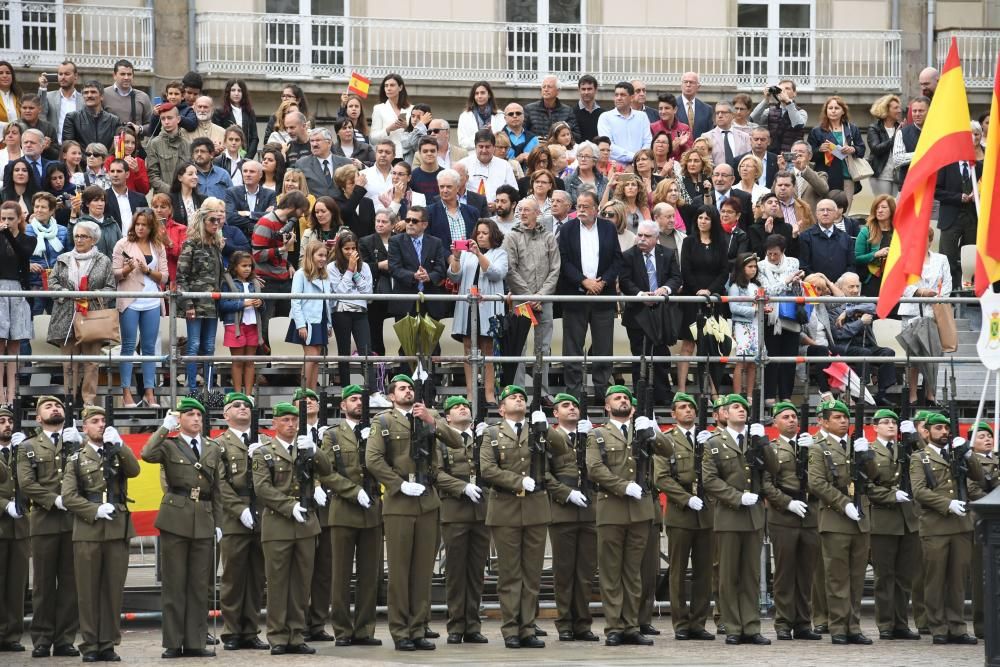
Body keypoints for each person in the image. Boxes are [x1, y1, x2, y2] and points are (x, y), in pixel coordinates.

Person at [366, 374, 460, 651]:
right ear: (392, 396)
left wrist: (433, 420)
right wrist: (398, 485)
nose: (407, 392)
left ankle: (419, 628)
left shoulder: (427, 418)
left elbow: (457, 442)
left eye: (410, 388)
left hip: (428, 500)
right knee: (400, 571)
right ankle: (400, 631)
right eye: (402, 389)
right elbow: (373, 459)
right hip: (400, 503)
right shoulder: (382, 421)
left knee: (422, 572)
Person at [142, 400, 222, 658]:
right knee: (175, 584)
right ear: (180, 419)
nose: (196, 419)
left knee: (200, 585)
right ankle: (174, 642)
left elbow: (217, 489)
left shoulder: (212, 447)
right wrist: (164, 428)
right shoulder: (168, 445)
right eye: (190, 414)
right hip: (175, 517)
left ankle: (196, 641)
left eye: (199, 414)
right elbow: (146, 453)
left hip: (204, 518)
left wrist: (218, 523)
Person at [480, 385, 558, 648]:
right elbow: (487, 469)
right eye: (513, 397)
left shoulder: (538, 430)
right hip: (505, 508)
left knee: (532, 574)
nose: (519, 400)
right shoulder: (492, 433)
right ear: (502, 408)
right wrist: (518, 481)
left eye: (522, 398)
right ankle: (511, 628)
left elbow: (564, 453)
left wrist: (546, 428)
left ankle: (527, 628)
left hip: (535, 509)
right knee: (510, 574)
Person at [61, 406, 139, 663]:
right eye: (95, 421)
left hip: (117, 529)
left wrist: (121, 444)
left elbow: (134, 470)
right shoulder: (76, 459)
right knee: (88, 590)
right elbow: (70, 497)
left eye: (103, 421)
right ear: (85, 428)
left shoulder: (116, 452)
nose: (100, 425)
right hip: (88, 530)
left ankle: (108, 643)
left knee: (112, 590)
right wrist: (94, 509)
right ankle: (90, 644)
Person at [585, 386, 662, 646]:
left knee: (633, 573)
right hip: (612, 509)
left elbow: (668, 452)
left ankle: (631, 626)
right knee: (611, 572)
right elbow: (595, 469)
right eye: (617, 398)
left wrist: (653, 430)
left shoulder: (642, 430)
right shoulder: (597, 434)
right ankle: (614, 627)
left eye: (626, 398)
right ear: (607, 406)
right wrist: (622, 486)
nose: (623, 400)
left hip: (640, 512)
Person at [702, 394, 777, 646]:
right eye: (735, 407)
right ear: (724, 413)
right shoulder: (714, 443)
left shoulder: (755, 440)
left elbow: (774, 468)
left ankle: (751, 626)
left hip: (754, 517)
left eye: (744, 407)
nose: (741, 411)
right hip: (729, 515)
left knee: (751, 575)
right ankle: (733, 626)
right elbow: (710, 480)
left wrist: (764, 442)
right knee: (728, 575)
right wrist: (736, 497)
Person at [316, 385, 383, 647]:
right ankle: (342, 630)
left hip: (372, 511)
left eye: (361, 400)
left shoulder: (377, 431)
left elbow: (386, 464)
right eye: (352, 399)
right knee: (340, 575)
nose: (358, 403)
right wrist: (353, 491)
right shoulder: (332, 435)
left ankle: (365, 629)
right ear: (343, 406)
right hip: (343, 509)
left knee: (370, 575)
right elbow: (326, 471)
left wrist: (373, 442)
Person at [16, 396, 81, 658]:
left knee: (70, 584)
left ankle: (65, 639)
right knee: (43, 584)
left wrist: (80, 446)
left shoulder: (76, 442)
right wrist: (54, 499)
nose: (55, 408)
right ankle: (42, 639)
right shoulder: (28, 446)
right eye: (48, 406)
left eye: (59, 406)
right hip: (44, 520)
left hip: (73, 522)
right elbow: (26, 483)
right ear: (38, 417)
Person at [909, 412, 982, 645]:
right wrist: (947, 504)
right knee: (935, 579)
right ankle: (938, 627)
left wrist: (969, 454)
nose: (943, 432)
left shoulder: (957, 454)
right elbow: (919, 491)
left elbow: (978, 476)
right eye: (938, 428)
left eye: (945, 428)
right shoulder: (920, 457)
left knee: (958, 580)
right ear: (927, 432)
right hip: (935, 526)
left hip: (961, 526)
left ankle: (958, 627)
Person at [807, 399, 876, 645]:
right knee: (837, 578)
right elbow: (816, 483)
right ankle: (838, 627)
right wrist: (843, 503)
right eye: (837, 417)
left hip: (860, 519)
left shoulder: (855, 446)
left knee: (857, 578)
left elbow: (872, 477)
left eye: (845, 417)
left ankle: (853, 626)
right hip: (835, 519)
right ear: (824, 421)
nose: (843, 421)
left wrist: (866, 455)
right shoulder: (818, 448)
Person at [653, 392, 716, 641]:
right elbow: (661, 477)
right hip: (681, 513)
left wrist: (712, 446)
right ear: (673, 414)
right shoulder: (667, 440)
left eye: (691, 407)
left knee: (704, 571)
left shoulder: (709, 439)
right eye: (682, 407)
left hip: (707, 513)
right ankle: (680, 622)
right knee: (678, 570)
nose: (688, 411)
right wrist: (685, 498)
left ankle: (699, 622)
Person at [429, 395, 489, 645]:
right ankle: (456, 625)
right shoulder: (441, 442)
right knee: (455, 572)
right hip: (454, 510)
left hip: (482, 511)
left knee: (476, 572)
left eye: (465, 405)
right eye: (456, 407)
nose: (463, 408)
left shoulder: (483, 439)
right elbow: (436, 473)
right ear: (447, 418)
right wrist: (461, 487)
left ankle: (473, 625)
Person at [761, 403, 822, 641]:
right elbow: (766, 483)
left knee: (807, 573)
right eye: (785, 417)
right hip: (783, 516)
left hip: (809, 516)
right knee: (785, 572)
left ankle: (804, 623)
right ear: (775, 423)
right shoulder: (772, 449)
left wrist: (815, 451)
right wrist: (786, 503)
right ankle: (784, 622)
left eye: (794, 416)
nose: (791, 420)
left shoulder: (814, 445)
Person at [214, 392, 269, 652]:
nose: (243, 408)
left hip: (261, 513)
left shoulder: (265, 441)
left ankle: (250, 629)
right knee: (234, 577)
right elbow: (220, 483)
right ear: (226, 415)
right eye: (236, 405)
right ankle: (232, 631)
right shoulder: (218, 445)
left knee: (257, 576)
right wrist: (239, 509)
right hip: (235, 517)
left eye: (247, 405)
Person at [862, 408, 921, 641]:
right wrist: (890, 496)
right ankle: (885, 623)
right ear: (874, 427)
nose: (890, 426)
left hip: (908, 519)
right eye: (885, 422)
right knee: (884, 576)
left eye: (893, 422)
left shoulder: (906, 448)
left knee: (904, 576)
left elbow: (929, 464)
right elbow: (867, 485)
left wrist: (915, 439)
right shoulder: (868, 450)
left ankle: (901, 623)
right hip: (884, 519)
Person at [558, 190, 622, 400]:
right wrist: (584, 281)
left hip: (603, 296)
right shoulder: (567, 229)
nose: (581, 210)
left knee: (604, 346)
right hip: (576, 295)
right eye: (579, 206)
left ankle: (602, 391)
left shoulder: (608, 228)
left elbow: (616, 260)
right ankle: (573, 393)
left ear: (596, 209)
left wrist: (602, 282)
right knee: (572, 346)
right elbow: (564, 261)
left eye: (586, 207)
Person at [47, 219, 115, 405]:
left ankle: (88, 403)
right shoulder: (63, 259)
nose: (79, 240)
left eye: (83, 236)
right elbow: (52, 285)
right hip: (66, 316)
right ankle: (69, 400)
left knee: (92, 363)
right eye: (76, 236)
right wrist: (67, 294)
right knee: (69, 363)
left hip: (91, 317)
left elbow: (111, 288)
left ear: (93, 239)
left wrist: (93, 295)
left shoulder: (104, 261)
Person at [502, 197, 559, 393]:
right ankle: (518, 391)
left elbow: (555, 269)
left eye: (527, 210)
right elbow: (510, 270)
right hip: (522, 301)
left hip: (545, 301)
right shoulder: (511, 237)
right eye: (520, 210)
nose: (523, 213)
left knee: (543, 347)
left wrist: (540, 296)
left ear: (538, 213)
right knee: (520, 346)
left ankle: (541, 392)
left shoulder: (549, 237)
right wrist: (530, 297)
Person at [448, 219, 508, 405]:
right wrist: (456, 257)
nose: (480, 236)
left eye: (484, 233)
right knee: (468, 348)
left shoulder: (500, 253)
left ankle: (489, 393)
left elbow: (496, 274)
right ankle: (471, 392)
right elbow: (454, 276)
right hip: (468, 306)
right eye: (478, 233)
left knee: (487, 349)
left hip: (488, 307)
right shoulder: (465, 255)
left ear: (493, 235)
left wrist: (479, 255)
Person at [620, 220, 681, 402]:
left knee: (661, 355)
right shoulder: (628, 256)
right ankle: (641, 397)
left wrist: (665, 289)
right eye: (639, 235)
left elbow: (676, 278)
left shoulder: (668, 254)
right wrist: (640, 295)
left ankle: (662, 395)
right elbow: (624, 281)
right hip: (637, 314)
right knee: (640, 355)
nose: (642, 239)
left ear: (656, 238)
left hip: (661, 313)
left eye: (646, 236)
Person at [112, 209, 166, 407]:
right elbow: (115, 274)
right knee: (128, 346)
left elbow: (165, 277)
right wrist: (127, 269)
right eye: (138, 224)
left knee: (149, 348)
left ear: (151, 227)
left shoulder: (158, 245)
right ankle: (126, 393)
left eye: (145, 224)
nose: (141, 228)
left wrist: (147, 270)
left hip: (151, 299)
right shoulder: (122, 243)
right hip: (130, 299)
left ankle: (149, 393)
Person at [676, 206, 729, 393]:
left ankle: (714, 392)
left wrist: (710, 291)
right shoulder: (689, 242)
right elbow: (686, 270)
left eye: (707, 218)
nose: (703, 221)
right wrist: (699, 290)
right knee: (688, 345)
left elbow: (724, 271)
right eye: (700, 217)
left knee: (712, 346)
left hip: (713, 299)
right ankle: (681, 391)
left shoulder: (721, 243)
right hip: (692, 297)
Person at [176, 201, 225, 394]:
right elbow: (181, 276)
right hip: (195, 303)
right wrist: (187, 303)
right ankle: (192, 388)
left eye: (219, 220)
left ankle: (209, 388)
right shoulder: (191, 243)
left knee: (210, 346)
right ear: (202, 220)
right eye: (212, 220)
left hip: (212, 304)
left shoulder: (216, 245)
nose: (216, 224)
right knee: (194, 344)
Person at [898, 228, 951, 405]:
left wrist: (936, 298)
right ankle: (912, 394)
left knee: (933, 353)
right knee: (913, 355)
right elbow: (900, 285)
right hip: (912, 312)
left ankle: (930, 393)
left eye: (926, 240)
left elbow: (948, 285)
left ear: (930, 240)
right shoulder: (906, 259)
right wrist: (919, 292)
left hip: (934, 311)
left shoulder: (941, 259)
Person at [757, 234, 803, 403]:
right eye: (769, 253)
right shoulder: (761, 266)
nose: (772, 257)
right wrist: (786, 281)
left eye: (775, 254)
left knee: (789, 358)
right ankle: (769, 396)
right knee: (771, 356)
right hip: (771, 317)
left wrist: (795, 281)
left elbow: (794, 287)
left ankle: (786, 396)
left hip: (790, 315)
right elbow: (767, 291)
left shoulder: (793, 262)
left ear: (783, 251)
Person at [252, 190, 308, 326]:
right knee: (266, 325)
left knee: (287, 324)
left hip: (283, 280)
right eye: (302, 210)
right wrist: (283, 249)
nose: (302, 215)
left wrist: (288, 264)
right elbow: (257, 255)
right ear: (293, 207)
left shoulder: (287, 224)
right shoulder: (266, 223)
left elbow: (276, 250)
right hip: (267, 282)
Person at [327, 229, 374, 388]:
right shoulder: (332, 267)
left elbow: (368, 293)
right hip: (341, 312)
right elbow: (339, 293)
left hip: (360, 312)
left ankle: (372, 390)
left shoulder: (365, 266)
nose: (350, 252)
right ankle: (346, 389)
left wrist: (355, 273)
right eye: (347, 249)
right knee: (344, 352)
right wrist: (349, 270)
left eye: (353, 248)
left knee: (365, 351)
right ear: (340, 250)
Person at [0, 403, 29, 652]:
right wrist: (4, 504)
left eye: (9, 421)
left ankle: (11, 635)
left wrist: (23, 451)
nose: (7, 425)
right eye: (1, 422)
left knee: (16, 584)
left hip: (19, 528)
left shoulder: (23, 450)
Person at [287, 239, 334, 390]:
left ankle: (312, 393)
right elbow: (295, 301)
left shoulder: (324, 275)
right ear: (310, 255)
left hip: (320, 320)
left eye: (325, 256)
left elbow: (326, 302)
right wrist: (301, 325)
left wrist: (328, 324)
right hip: (306, 321)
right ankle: (304, 394)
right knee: (311, 358)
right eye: (320, 255)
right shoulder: (301, 274)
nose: (323, 259)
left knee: (316, 359)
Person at [808, 97, 864, 208]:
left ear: (843, 111)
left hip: (848, 176)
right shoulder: (817, 131)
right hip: (826, 176)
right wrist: (820, 150)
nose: (833, 111)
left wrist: (853, 149)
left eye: (837, 108)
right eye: (830, 108)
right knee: (827, 210)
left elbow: (861, 149)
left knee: (844, 210)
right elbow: (809, 155)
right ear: (826, 111)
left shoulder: (852, 129)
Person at [936, 157, 981, 290]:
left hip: (972, 219)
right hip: (950, 220)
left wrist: (978, 194)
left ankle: (967, 293)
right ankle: (949, 292)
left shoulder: (978, 166)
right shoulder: (946, 164)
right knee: (948, 258)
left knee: (970, 260)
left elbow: (988, 186)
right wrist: (957, 197)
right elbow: (936, 191)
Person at [0, 202, 29, 402]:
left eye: (10, 218)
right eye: (3, 218)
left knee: (15, 345)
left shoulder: (29, 239)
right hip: (0, 289)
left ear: (19, 218)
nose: (6, 222)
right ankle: (1, 397)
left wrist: (8, 234)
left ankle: (12, 394)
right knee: (0, 343)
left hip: (17, 290)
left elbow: (23, 254)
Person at [727, 253, 763, 395]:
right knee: (742, 361)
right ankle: (737, 395)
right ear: (742, 268)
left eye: (755, 266)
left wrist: (763, 308)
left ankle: (749, 395)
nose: (753, 269)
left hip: (756, 325)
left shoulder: (756, 285)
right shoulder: (735, 286)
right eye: (750, 266)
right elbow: (733, 308)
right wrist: (754, 309)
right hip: (742, 326)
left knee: (753, 362)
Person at [359, 209, 395, 356]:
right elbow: (362, 267)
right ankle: (378, 374)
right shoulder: (365, 241)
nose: (379, 224)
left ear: (393, 225)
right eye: (377, 221)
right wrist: (380, 265)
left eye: (384, 222)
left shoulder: (400, 240)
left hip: (397, 292)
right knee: (376, 335)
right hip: (377, 294)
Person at [596, 82, 651, 167]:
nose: (618, 98)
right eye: (616, 95)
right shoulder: (605, 117)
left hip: (640, 167)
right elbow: (608, 146)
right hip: (615, 169)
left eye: (622, 95)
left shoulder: (642, 117)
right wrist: (635, 157)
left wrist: (638, 160)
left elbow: (648, 141)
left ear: (632, 97)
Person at [799, 199, 854, 282]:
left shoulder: (846, 238)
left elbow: (851, 265)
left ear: (836, 214)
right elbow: (804, 266)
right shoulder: (806, 237)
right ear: (816, 214)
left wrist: (841, 283)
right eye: (822, 210)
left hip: (840, 288)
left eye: (829, 210)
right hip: (815, 287)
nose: (825, 213)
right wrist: (820, 283)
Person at [748, 80, 807, 154]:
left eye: (787, 89)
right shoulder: (769, 111)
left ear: (794, 93)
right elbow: (752, 119)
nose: (783, 91)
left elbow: (798, 125)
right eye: (781, 89)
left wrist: (788, 102)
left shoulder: (801, 112)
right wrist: (766, 100)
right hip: (772, 155)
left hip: (790, 156)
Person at [61, 80, 122, 150]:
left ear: (102, 96)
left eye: (93, 92)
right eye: (86, 93)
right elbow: (68, 148)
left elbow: (117, 148)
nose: (89, 95)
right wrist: (90, 159)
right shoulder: (72, 118)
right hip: (80, 160)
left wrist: (104, 159)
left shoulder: (114, 121)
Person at [224, 160, 276, 240]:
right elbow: (230, 218)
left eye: (252, 172)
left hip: (262, 240)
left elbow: (272, 217)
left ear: (260, 175)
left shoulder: (270, 194)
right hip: (239, 239)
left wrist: (249, 214)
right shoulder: (231, 192)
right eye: (245, 171)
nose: (248, 174)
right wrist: (261, 218)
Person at [459, 129, 517, 202]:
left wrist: (497, 204)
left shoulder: (504, 165)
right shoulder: (463, 164)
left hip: (497, 211)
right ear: (475, 147)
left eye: (487, 147)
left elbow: (513, 191)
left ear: (494, 147)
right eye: (481, 146)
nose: (484, 150)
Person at [855, 194, 895, 296]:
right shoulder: (866, 231)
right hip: (872, 281)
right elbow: (856, 258)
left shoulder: (899, 232)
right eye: (877, 208)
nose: (879, 210)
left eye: (884, 207)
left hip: (894, 281)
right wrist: (875, 254)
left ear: (892, 210)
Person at [146, 104, 191, 195]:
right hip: (163, 198)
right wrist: (172, 191)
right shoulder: (154, 143)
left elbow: (191, 172)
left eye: (170, 118)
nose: (166, 122)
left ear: (178, 119)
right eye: (163, 119)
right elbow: (152, 175)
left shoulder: (187, 144)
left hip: (185, 196)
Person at [298, 127, 353, 199]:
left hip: (341, 208)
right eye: (312, 141)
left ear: (329, 143)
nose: (314, 144)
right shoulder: (302, 164)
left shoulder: (346, 163)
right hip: (315, 208)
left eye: (318, 140)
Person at [523, 75, 581, 142]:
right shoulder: (529, 109)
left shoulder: (568, 111)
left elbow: (577, 136)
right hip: (536, 149)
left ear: (558, 91)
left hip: (560, 149)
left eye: (549, 87)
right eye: (543, 87)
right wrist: (536, 139)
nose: (546, 89)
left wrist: (558, 138)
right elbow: (522, 132)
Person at [213, 79, 258, 159]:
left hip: (245, 156)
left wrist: (248, 158)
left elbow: (254, 137)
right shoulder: (219, 112)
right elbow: (219, 136)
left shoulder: (249, 112)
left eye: (239, 91)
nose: (236, 93)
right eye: (233, 90)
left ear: (243, 93)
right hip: (226, 156)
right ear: (228, 92)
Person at [370, 74, 413, 159]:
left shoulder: (411, 109)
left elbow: (417, 135)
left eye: (392, 85)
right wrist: (388, 129)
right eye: (386, 86)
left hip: (408, 155)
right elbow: (373, 139)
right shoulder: (379, 109)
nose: (388, 88)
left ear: (400, 88)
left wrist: (407, 127)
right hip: (388, 156)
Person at [867, 94, 902, 197]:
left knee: (896, 209)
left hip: (898, 176)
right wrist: (895, 137)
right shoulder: (874, 128)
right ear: (886, 110)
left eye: (899, 107)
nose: (900, 110)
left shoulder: (901, 127)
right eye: (896, 108)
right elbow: (876, 149)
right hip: (881, 175)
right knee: (884, 206)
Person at [38, 61, 83, 140]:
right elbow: (40, 112)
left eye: (67, 74)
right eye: (60, 74)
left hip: (76, 147)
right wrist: (43, 88)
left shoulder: (84, 99)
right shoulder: (49, 96)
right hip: (54, 145)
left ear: (75, 76)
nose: (63, 77)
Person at [748, 191, 798, 259]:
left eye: (777, 203)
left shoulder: (787, 227)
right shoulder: (754, 229)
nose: (774, 204)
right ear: (762, 207)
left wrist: (795, 237)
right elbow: (759, 255)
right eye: (770, 202)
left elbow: (793, 254)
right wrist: (767, 234)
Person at [332, 163, 374, 238]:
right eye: (352, 183)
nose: (356, 186)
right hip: (346, 246)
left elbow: (372, 229)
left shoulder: (368, 202)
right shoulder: (335, 202)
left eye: (357, 182)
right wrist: (359, 189)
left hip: (366, 247)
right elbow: (346, 211)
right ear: (342, 187)